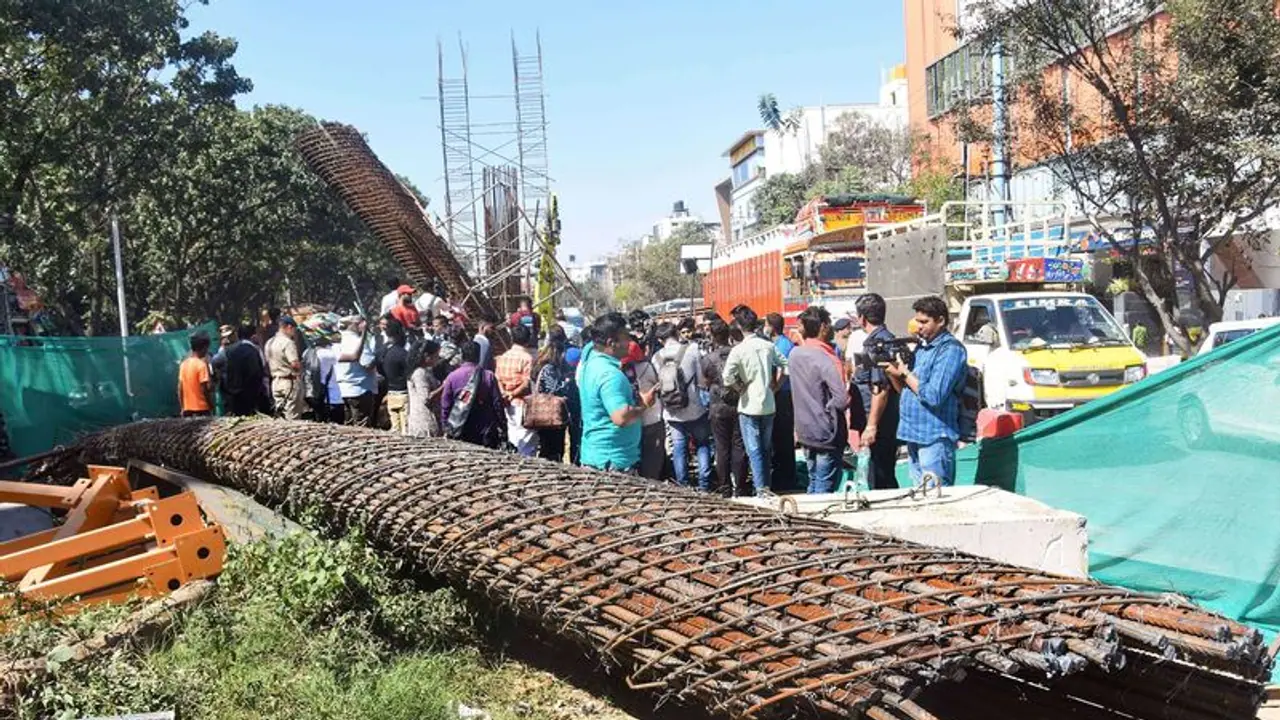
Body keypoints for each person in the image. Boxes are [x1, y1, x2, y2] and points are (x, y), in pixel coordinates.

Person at [884, 296, 968, 488]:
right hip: (913, 435)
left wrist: (904, 373)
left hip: (935, 436)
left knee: (936, 496)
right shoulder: (922, 348)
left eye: (924, 322)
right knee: (919, 496)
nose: (919, 327)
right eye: (917, 321)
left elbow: (933, 396)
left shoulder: (950, 350)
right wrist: (893, 374)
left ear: (940, 321)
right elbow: (906, 390)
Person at [578, 312, 657, 473]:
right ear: (611, 343)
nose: (630, 342)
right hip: (613, 463)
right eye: (626, 337)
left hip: (596, 456)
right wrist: (644, 404)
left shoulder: (590, 361)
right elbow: (620, 417)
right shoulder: (610, 375)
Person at [723, 304, 787, 495]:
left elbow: (727, 377)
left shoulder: (739, 350)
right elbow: (785, 365)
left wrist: (739, 387)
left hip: (749, 404)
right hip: (768, 403)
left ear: (740, 327)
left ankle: (761, 489)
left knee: (754, 450)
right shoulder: (768, 346)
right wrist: (776, 385)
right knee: (766, 449)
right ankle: (766, 485)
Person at [789, 306, 848, 494]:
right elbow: (841, 399)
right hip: (826, 431)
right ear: (823, 326)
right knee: (824, 486)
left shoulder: (794, 355)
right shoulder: (827, 358)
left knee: (813, 480)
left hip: (804, 429)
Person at [652, 322, 713, 491]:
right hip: (695, 408)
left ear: (659, 339)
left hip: (672, 412)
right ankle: (704, 485)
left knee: (679, 448)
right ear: (677, 333)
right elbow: (702, 380)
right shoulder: (692, 349)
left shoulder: (656, 357)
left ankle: (683, 485)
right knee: (702, 444)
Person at [853, 293, 901, 489]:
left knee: (881, 476)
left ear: (862, 318)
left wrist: (871, 426)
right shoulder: (888, 339)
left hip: (880, 423)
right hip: (886, 420)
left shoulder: (877, 345)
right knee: (883, 472)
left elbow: (880, 389)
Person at [702, 317, 748, 496]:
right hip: (739, 404)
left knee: (721, 448)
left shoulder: (707, 359)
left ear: (713, 336)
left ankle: (725, 488)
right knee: (738, 446)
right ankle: (741, 487)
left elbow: (704, 382)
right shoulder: (739, 353)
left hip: (718, 408)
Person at [440, 341, 504, 448]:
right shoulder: (488, 376)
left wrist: (446, 426)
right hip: (485, 429)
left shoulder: (452, 377)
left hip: (460, 429)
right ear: (478, 356)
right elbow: (497, 404)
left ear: (462, 355)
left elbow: (445, 405)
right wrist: (503, 425)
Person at [764, 312, 797, 491]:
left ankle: (786, 478)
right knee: (777, 437)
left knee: (783, 437)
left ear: (772, 327)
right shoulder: (775, 343)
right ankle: (780, 474)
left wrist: (775, 389)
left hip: (782, 395)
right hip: (778, 393)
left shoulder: (783, 345)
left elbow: (784, 370)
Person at [625, 338, 666, 479]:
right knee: (653, 457)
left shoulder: (618, 371)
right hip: (651, 417)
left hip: (630, 420)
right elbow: (658, 384)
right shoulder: (646, 367)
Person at [496, 323, 538, 456]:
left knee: (512, 435)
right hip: (522, 403)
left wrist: (505, 393)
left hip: (507, 403)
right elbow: (526, 383)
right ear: (527, 339)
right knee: (526, 441)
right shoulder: (527, 359)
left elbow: (497, 378)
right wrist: (513, 393)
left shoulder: (503, 357)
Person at [532, 340, 574, 462]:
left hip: (544, 413)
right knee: (552, 448)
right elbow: (553, 389)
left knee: (547, 446)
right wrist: (567, 383)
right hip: (550, 413)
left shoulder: (541, 366)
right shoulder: (549, 369)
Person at [336, 315, 378, 427]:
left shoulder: (338, 341)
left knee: (348, 424)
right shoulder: (358, 342)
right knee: (362, 424)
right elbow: (368, 364)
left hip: (343, 389)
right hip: (360, 389)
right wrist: (377, 359)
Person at [219, 324, 267, 417]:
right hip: (249, 393)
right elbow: (259, 371)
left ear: (236, 334)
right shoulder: (251, 349)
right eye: (225, 337)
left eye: (229, 336)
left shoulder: (226, 351)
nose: (227, 339)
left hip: (234, 394)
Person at [264, 316, 305, 420]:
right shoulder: (288, 343)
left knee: (280, 414)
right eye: (294, 330)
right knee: (293, 416)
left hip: (275, 382)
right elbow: (294, 364)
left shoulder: (269, 342)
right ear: (289, 327)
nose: (294, 333)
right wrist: (302, 368)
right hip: (289, 382)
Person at [406, 339, 443, 438]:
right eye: (436, 355)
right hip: (424, 422)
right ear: (427, 356)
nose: (438, 358)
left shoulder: (425, 371)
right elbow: (426, 398)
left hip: (422, 420)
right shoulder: (420, 373)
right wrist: (444, 386)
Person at [381, 319, 411, 434]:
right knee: (405, 429)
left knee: (395, 428)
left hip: (391, 393)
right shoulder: (403, 354)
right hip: (403, 393)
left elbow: (380, 369)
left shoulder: (383, 352)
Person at [178, 332, 214, 417]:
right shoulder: (201, 365)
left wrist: (182, 407)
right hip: (202, 409)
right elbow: (204, 389)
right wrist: (210, 405)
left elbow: (180, 387)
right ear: (204, 347)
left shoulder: (184, 364)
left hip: (188, 410)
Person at [564, 346, 584, 464]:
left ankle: (573, 462)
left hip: (571, 415)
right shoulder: (578, 380)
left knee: (573, 441)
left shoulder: (567, 380)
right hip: (579, 415)